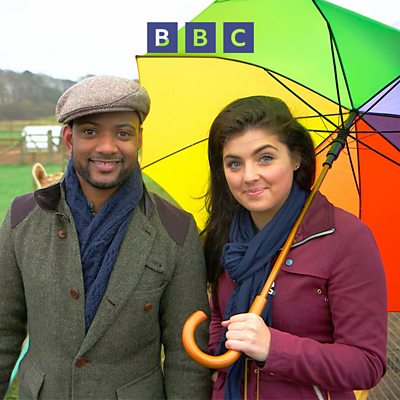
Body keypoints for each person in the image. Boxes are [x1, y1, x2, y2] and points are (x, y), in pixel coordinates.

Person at [0, 75, 211, 399]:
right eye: (90, 131)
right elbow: (3, 331)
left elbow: (187, 361)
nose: (107, 147)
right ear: (69, 139)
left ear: (139, 139)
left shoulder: (176, 230)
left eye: (123, 133)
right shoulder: (22, 219)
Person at [202, 96, 387, 400]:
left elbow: (366, 363)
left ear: (296, 157)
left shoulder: (346, 238)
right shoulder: (225, 233)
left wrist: (274, 347)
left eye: (265, 158)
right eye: (234, 163)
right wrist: (218, 361)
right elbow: (217, 314)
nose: (249, 176)